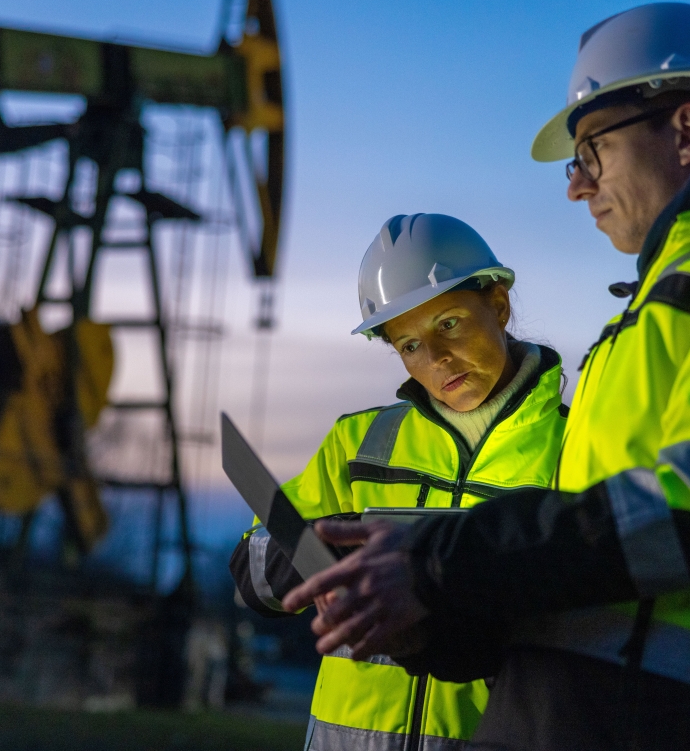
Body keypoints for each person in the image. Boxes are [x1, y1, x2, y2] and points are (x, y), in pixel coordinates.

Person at [282, 3, 690, 750]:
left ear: (688, 133)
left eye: (592, 151)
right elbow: (587, 573)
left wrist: (434, 560)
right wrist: (434, 629)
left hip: (670, 727)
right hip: (574, 719)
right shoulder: (646, 320)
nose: (576, 186)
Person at [230, 212, 568, 750]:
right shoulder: (359, 444)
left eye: (449, 324)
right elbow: (253, 576)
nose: (435, 359)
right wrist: (332, 550)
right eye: (408, 345)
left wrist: (428, 562)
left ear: (499, 305)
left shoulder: (573, 449)